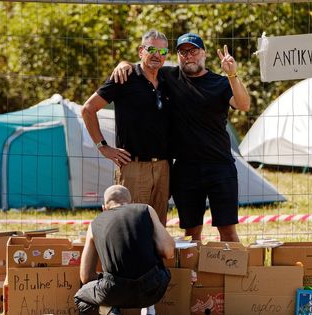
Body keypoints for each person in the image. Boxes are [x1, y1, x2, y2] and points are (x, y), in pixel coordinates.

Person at [111, 33, 251, 242]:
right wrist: (123, 64)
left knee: (228, 232)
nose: (189, 56)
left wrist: (232, 75)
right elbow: (144, 63)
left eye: (194, 50)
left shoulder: (220, 83)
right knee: (191, 233)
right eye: (183, 52)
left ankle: (234, 273)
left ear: (203, 53)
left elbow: (244, 105)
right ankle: (193, 275)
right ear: (177, 56)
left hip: (220, 167)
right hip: (185, 170)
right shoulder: (168, 77)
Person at [81, 30, 170, 226]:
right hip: (133, 166)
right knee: (132, 226)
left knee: (158, 227)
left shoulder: (167, 80)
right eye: (151, 49)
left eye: (162, 51)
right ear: (141, 51)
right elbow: (88, 109)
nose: (157, 55)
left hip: (164, 167)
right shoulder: (124, 77)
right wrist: (103, 147)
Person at [74, 185, 174, 315]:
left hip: (115, 292)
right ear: (131, 203)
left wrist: (106, 280)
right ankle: (149, 309)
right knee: (160, 270)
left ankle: (110, 310)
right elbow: (169, 251)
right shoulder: (145, 209)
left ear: (104, 208)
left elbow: (85, 276)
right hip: (152, 289)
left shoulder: (94, 225)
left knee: (81, 297)